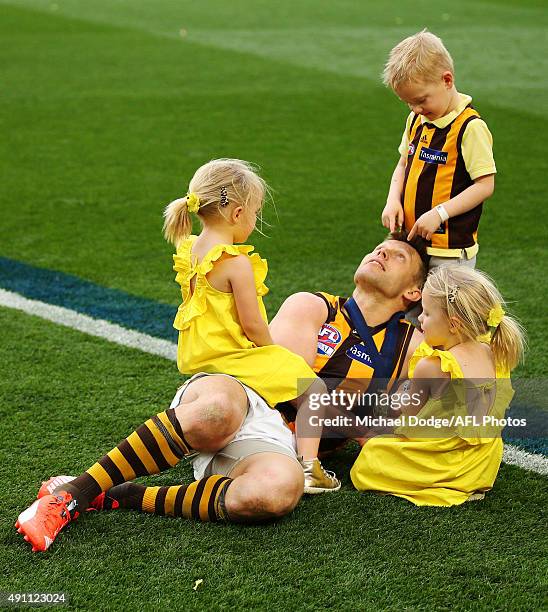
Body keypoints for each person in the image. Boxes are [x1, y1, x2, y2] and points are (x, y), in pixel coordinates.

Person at [14, 231, 428, 552]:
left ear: (413, 292)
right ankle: (73, 494)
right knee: (217, 413)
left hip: (275, 446)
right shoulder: (315, 306)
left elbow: (424, 419)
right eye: (379, 247)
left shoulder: (413, 347)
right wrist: (366, 415)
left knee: (279, 492)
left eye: (398, 255)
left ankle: (124, 494)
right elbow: (287, 388)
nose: (381, 252)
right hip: (243, 398)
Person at [163, 158, 338, 493]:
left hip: (201, 355)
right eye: (256, 212)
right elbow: (254, 325)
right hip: (232, 356)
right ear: (238, 213)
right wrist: (272, 350)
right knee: (312, 388)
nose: (255, 220)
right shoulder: (236, 263)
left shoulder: (190, 249)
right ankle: (308, 468)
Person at [350, 265, 526, 506]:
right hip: (480, 466)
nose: (420, 319)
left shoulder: (434, 366)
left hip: (441, 459)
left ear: (453, 325)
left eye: (426, 313)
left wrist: (390, 411)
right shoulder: (493, 350)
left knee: (370, 455)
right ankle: (463, 483)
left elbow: (409, 419)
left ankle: (432, 481)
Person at [380, 30, 496, 270]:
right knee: (409, 307)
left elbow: (485, 185)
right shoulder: (415, 120)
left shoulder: (470, 127)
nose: (416, 108)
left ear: (447, 80)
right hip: (412, 243)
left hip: (450, 251)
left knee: (443, 308)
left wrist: (439, 213)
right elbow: (403, 164)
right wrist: (393, 200)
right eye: (409, 103)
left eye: (421, 100)